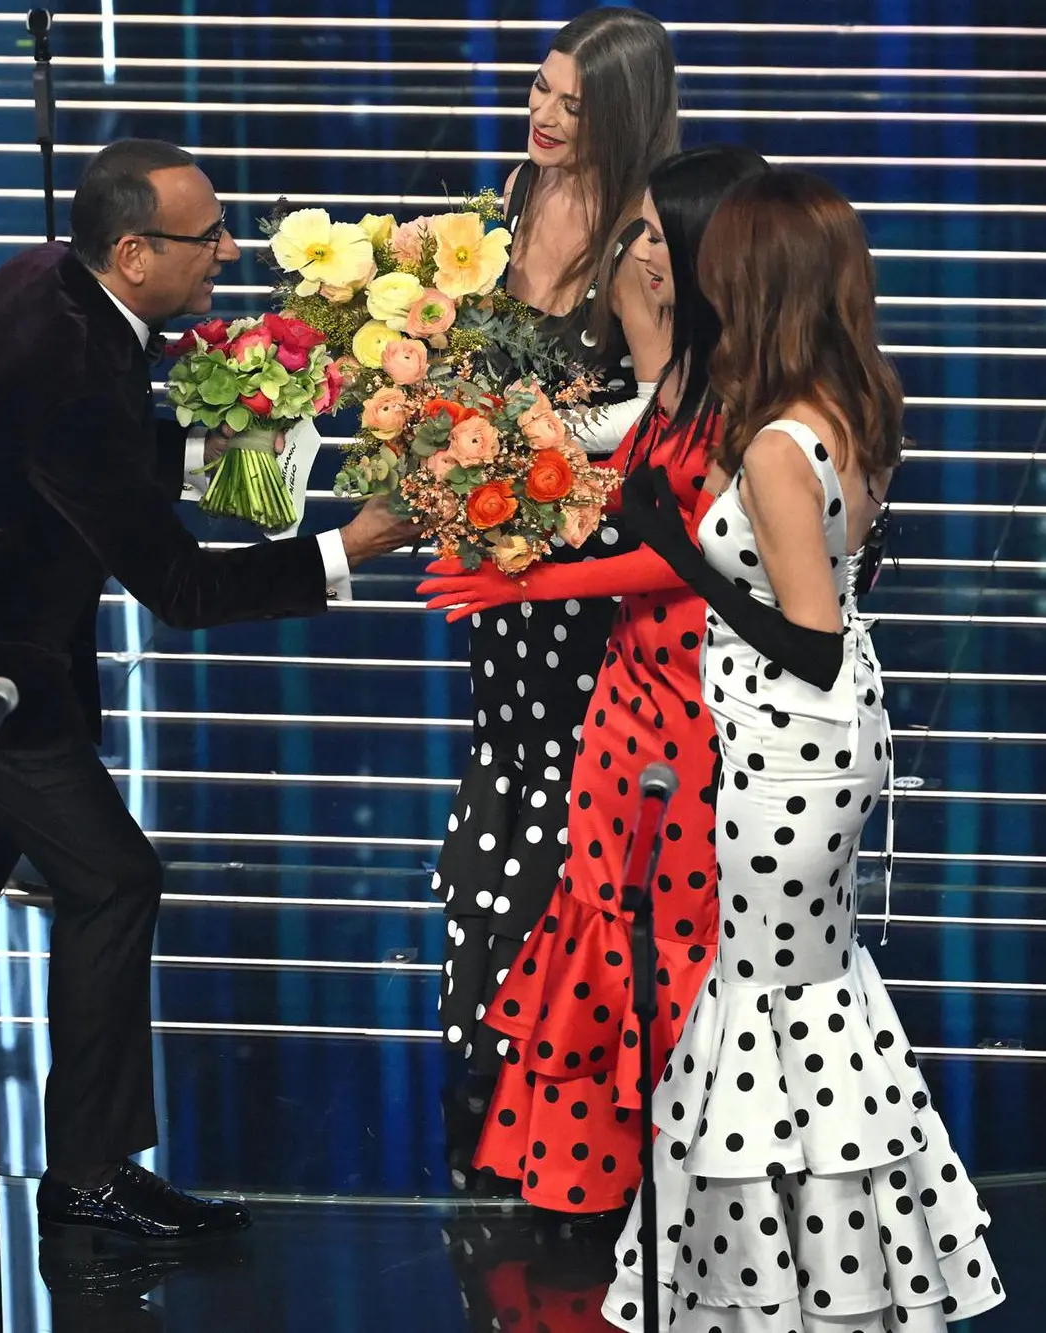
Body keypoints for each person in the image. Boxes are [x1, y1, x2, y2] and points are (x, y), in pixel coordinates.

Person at [0, 138, 415, 1245]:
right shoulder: (74, 364)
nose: (228, 252)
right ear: (131, 252)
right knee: (114, 878)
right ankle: (87, 1169)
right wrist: (349, 548)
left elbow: (69, 457)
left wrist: (208, 449)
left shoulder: (43, 277)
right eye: (207, 239)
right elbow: (176, 585)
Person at [603, 171, 1003, 1329]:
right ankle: (826, 1272)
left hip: (789, 752)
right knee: (809, 1001)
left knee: (773, 1002)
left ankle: (776, 1287)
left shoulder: (780, 443)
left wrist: (675, 551)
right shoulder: (848, 399)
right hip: (813, 752)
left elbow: (812, 641)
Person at [420, 146, 770, 1219]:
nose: (642, 256)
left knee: (664, 936)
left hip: (681, 695)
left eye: (662, 237)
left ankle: (688, 1174)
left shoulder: (748, 388)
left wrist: (529, 575)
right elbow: (624, 442)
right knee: (600, 925)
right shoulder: (684, 370)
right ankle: (595, 1173)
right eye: (639, 238)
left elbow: (687, 553)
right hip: (625, 689)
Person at [429, 4, 680, 1196]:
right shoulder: (511, 205)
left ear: (619, 116)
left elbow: (666, 412)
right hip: (505, 571)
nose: (542, 114)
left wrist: (547, 443)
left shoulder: (640, 239)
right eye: (538, 91)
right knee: (506, 764)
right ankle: (489, 1053)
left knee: (573, 799)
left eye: (571, 104)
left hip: (585, 577)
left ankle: (571, 1092)